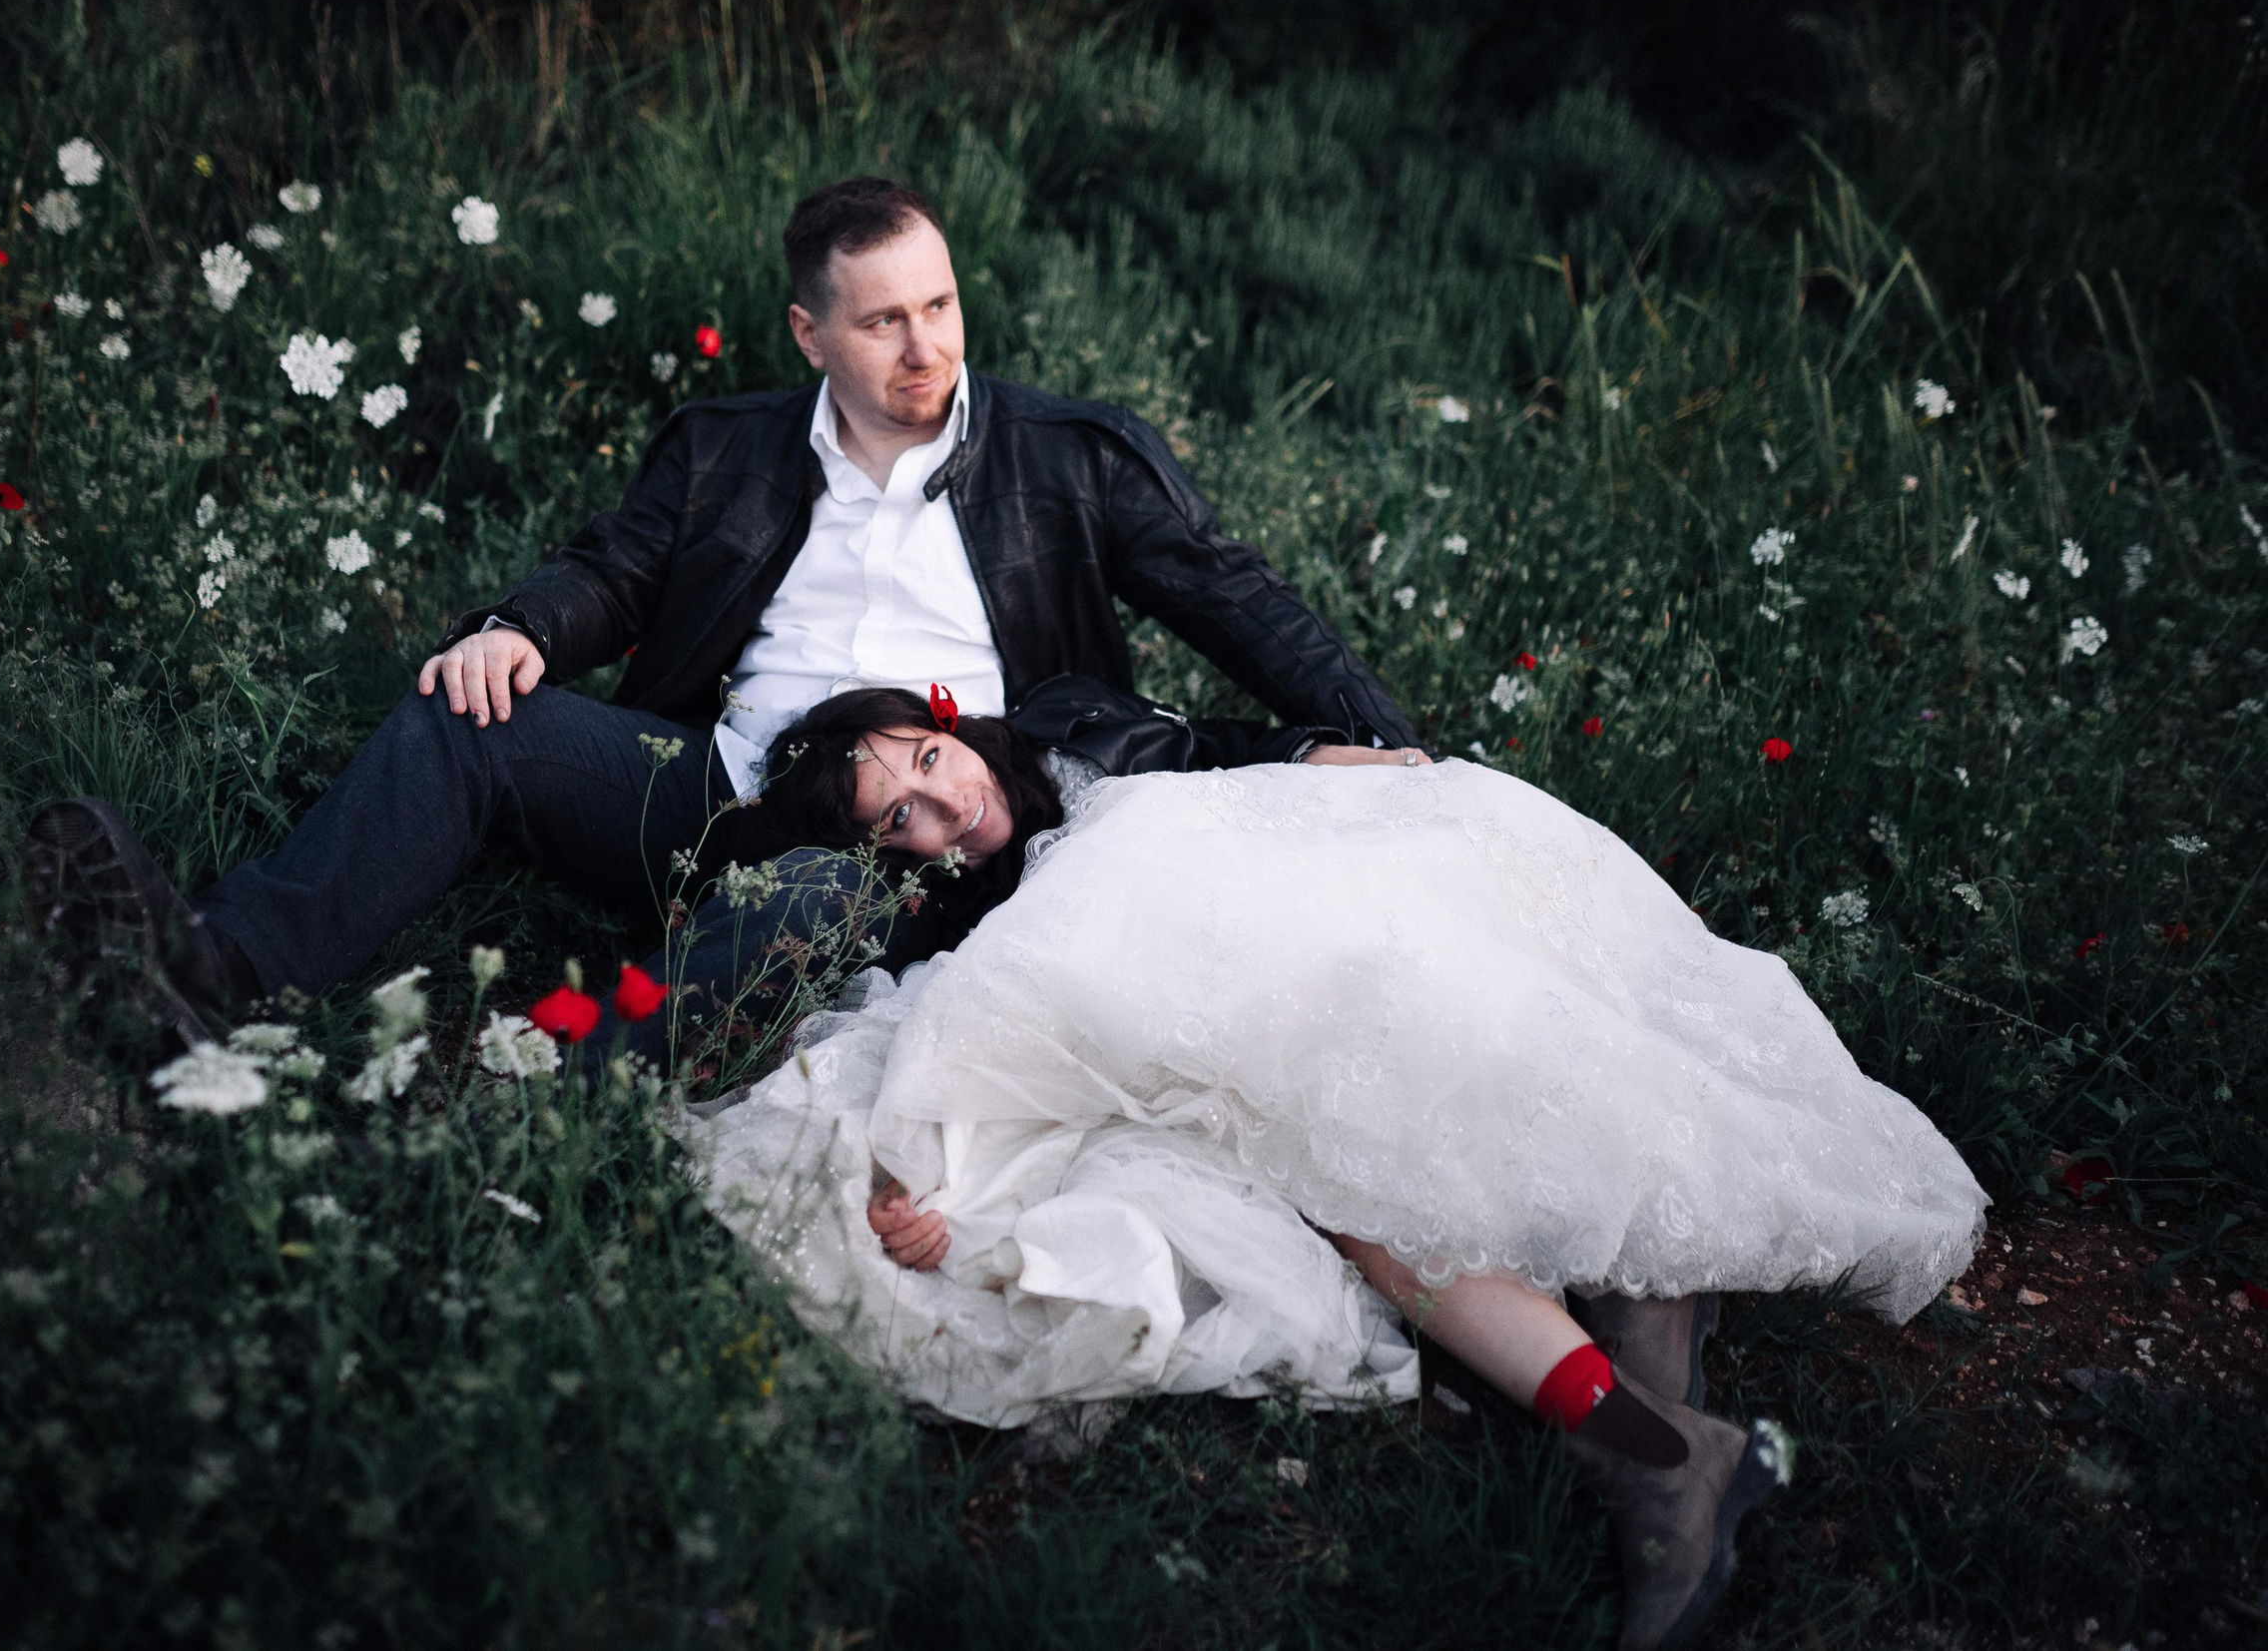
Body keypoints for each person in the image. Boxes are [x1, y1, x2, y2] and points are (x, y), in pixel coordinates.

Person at [687, 683, 1989, 1651]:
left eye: (926, 759)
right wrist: (910, 1183)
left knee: (1495, 1072)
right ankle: (1655, 1446)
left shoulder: (1070, 729)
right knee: (1372, 1188)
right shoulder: (980, 916)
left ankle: (1653, 1400)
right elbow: (1007, 1049)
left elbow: (1213, 750)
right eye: (900, 816)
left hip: (1327, 893)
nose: (938, 800)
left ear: (948, 719)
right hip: (1253, 1018)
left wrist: (1325, 750)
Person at [24, 172, 1418, 1066]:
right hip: (716, 785)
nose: (925, 348)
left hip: (929, 827)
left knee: (815, 896)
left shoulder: (1065, 457)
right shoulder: (727, 446)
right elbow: (616, 575)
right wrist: (522, 629)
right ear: (812, 335)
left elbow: (1233, 596)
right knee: (469, 719)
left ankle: (553, 1107)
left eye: (938, 307)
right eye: (882, 322)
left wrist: (1383, 749)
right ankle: (212, 970)